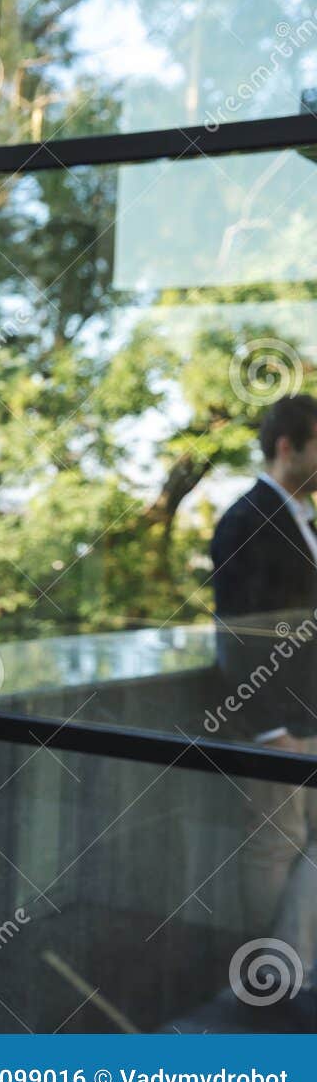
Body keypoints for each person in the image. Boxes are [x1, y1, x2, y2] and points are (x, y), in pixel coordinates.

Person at [211, 394, 317, 1015]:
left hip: (310, 714)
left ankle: (288, 969)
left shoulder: (301, 517)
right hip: (281, 723)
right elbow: (239, 634)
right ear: (288, 446)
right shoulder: (246, 520)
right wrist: (271, 727)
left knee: (301, 843)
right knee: (277, 844)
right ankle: (273, 982)